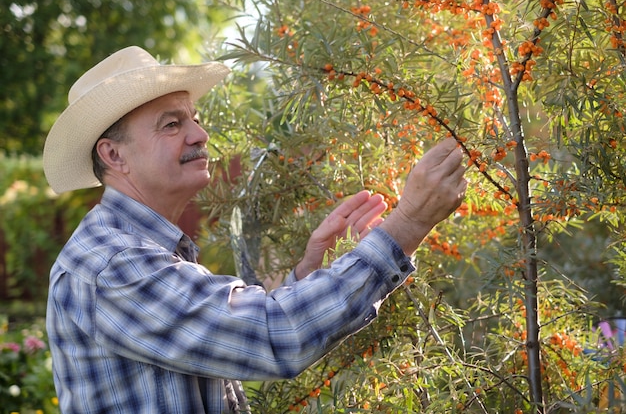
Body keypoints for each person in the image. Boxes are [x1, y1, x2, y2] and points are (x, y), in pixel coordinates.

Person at [43, 46, 467, 413]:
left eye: (194, 118)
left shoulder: (140, 248)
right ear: (114, 154)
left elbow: (229, 339)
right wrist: (408, 222)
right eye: (172, 125)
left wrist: (302, 276)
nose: (200, 134)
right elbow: (274, 336)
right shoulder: (113, 265)